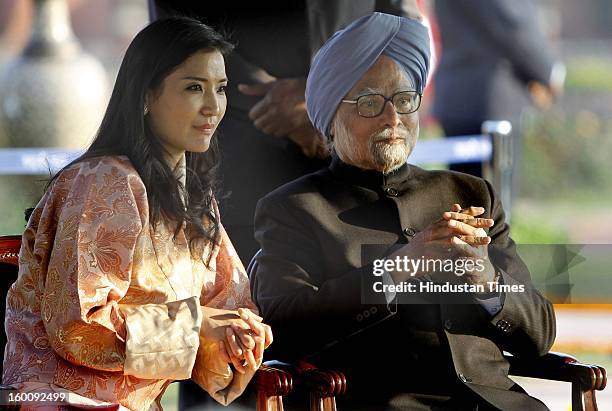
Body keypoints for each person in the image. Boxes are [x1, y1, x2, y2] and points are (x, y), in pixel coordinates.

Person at [252, 13, 555, 410]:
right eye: (370, 102)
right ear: (330, 118)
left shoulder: (469, 192)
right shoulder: (295, 209)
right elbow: (283, 330)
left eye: (405, 100)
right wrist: (395, 269)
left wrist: (487, 280)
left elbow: (541, 331)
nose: (392, 118)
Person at [2, 17, 272, 410]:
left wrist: (239, 336)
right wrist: (196, 326)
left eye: (221, 88)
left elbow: (228, 303)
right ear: (145, 95)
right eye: (194, 87)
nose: (213, 107)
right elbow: (78, 326)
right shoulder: (102, 182)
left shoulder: (192, 197)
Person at [148, 0, 424, 267]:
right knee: (246, 299)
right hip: (242, 156)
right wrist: (277, 103)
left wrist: (322, 102)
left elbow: (405, 28)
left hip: (361, 161)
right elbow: (177, 24)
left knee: (378, 291)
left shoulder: (455, 190)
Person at [433, 0, 564, 181]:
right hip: (491, 100)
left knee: (463, 199)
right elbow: (512, 24)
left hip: (458, 94)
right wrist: (549, 73)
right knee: (494, 199)